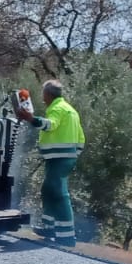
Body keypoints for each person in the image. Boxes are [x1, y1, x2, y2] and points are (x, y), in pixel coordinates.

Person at [18, 78, 85, 247]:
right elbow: (81, 137)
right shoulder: (70, 110)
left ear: (47, 94)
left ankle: (67, 236)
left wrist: (31, 119)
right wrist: (74, 154)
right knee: (48, 189)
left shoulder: (57, 108)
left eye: (43, 93)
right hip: (62, 158)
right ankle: (49, 227)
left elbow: (50, 125)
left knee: (59, 193)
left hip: (60, 158)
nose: (42, 96)